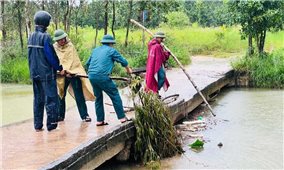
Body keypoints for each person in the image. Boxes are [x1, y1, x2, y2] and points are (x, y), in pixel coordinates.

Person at [27, 11, 64, 131]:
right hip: (46, 74)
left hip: (34, 73)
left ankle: (37, 126)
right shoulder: (45, 37)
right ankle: (52, 125)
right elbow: (50, 56)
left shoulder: (31, 36)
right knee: (51, 99)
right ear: (46, 22)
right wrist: (59, 68)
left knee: (37, 99)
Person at [86, 34, 132, 126]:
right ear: (111, 43)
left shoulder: (95, 50)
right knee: (114, 94)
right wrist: (128, 70)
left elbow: (87, 64)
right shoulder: (112, 50)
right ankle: (122, 118)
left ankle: (100, 120)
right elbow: (123, 61)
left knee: (98, 98)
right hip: (102, 76)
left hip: (91, 76)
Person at [53, 29, 95, 122]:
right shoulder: (54, 48)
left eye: (63, 39)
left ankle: (85, 115)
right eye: (60, 40)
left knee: (78, 94)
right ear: (56, 40)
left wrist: (69, 72)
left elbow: (73, 61)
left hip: (73, 73)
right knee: (60, 94)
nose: (62, 41)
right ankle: (60, 115)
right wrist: (60, 71)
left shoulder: (70, 46)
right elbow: (54, 61)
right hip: (61, 74)